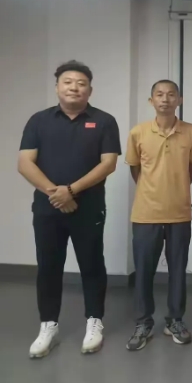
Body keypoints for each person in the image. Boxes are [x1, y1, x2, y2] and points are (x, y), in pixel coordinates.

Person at [17, 60, 121, 358]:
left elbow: (108, 164)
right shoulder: (39, 120)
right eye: (68, 82)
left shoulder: (104, 121)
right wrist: (57, 193)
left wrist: (71, 191)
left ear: (90, 90)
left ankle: (94, 321)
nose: (74, 87)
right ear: (57, 87)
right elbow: (24, 163)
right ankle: (48, 325)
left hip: (88, 208)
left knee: (92, 265)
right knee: (48, 266)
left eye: (81, 83)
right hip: (48, 208)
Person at [124, 80, 192, 351]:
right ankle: (143, 322)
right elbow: (135, 169)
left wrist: (175, 188)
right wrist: (153, 190)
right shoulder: (138, 132)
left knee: (178, 270)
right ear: (151, 101)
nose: (165, 99)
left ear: (179, 100)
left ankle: (175, 320)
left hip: (179, 213)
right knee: (143, 271)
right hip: (145, 213)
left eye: (171, 95)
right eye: (159, 95)